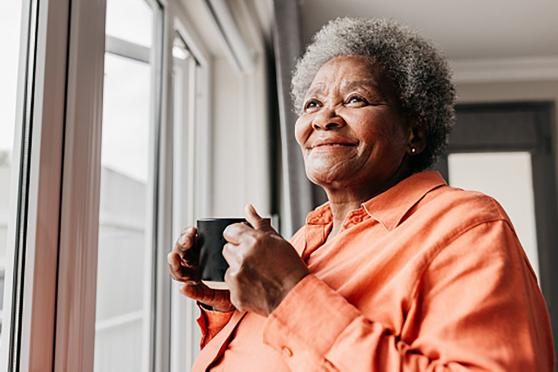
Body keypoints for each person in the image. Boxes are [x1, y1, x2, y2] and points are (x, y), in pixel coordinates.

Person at [168, 17, 555, 371]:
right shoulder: (305, 239)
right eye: (313, 104)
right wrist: (230, 305)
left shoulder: (466, 224)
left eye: (355, 99)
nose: (323, 118)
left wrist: (289, 293)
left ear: (413, 133)